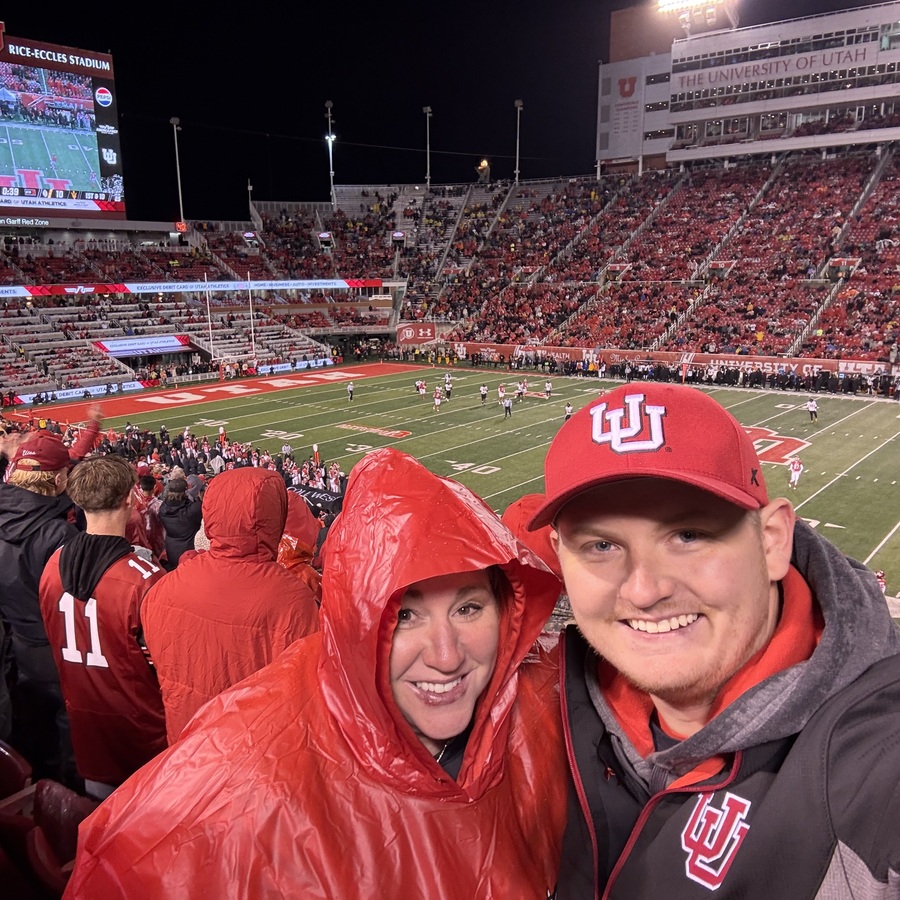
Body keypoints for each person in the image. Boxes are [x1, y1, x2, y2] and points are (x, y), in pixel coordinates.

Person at [64, 449, 567, 898]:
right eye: (406, 614)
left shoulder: (546, 711)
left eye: (469, 609)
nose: (445, 655)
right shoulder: (239, 783)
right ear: (352, 622)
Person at [527, 383, 900, 898]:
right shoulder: (540, 702)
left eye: (689, 535)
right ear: (558, 554)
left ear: (772, 541)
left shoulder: (875, 767)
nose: (644, 589)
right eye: (601, 545)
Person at [140, 467, 320, 743]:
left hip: (185, 746)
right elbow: (306, 693)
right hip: (254, 754)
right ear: (273, 518)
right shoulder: (294, 601)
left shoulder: (165, 587)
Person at [38, 455, 167, 800]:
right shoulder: (144, 580)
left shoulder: (53, 565)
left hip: (85, 729)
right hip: (140, 732)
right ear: (128, 498)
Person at [158, 476, 203, 569]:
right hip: (188, 548)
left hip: (171, 548)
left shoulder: (163, 508)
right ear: (185, 491)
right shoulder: (193, 509)